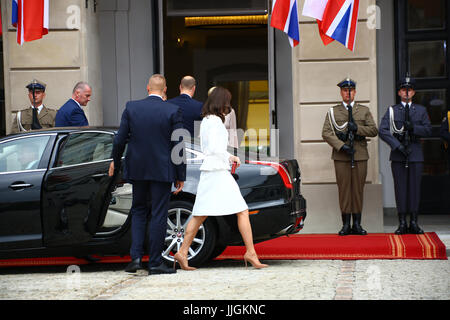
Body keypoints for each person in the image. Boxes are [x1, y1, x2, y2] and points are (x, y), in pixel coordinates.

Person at [172, 86, 267, 271]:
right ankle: (250, 253)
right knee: (241, 210)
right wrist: (230, 156)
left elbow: (210, 148)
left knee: (200, 214)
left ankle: (182, 252)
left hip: (212, 171)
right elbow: (215, 149)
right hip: (217, 171)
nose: (228, 106)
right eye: (227, 102)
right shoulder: (215, 122)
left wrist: (227, 156)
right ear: (221, 102)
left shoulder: (207, 120)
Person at [109, 74, 186, 275]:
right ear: (165, 90)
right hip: (162, 169)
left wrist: (114, 161)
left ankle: (135, 258)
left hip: (138, 169)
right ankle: (154, 261)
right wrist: (181, 174)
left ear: (147, 88)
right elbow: (179, 144)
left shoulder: (132, 107)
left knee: (139, 211)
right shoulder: (172, 110)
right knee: (159, 213)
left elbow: (119, 140)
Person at [322, 78, 378, 236]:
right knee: (345, 190)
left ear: (355, 92)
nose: (348, 93)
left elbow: (374, 131)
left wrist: (358, 128)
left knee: (358, 190)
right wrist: (341, 146)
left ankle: (358, 224)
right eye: (345, 91)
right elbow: (326, 132)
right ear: (341, 92)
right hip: (341, 156)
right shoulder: (333, 111)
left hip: (359, 154)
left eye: (351, 90)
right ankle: (346, 224)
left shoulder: (364, 110)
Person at [379, 76, 432, 234]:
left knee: (414, 189)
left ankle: (414, 222)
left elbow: (428, 130)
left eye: (409, 90)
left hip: (415, 154)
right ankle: (402, 222)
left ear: (413, 92)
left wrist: (413, 128)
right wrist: (397, 145)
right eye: (404, 89)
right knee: (401, 188)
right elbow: (383, 130)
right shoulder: (392, 110)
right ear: (399, 92)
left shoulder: (421, 110)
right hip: (398, 155)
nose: (406, 92)